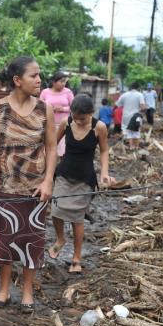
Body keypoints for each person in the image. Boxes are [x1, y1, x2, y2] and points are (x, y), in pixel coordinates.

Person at [0, 56, 56, 312]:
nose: (39, 80)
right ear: (17, 80)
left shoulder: (44, 109)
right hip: (6, 185)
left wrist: (48, 182)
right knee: (6, 236)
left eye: (39, 75)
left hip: (36, 188)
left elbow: (52, 147)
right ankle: (3, 291)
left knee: (33, 238)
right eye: (33, 75)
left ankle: (26, 291)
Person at [48, 95, 111, 273]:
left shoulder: (99, 127)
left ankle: (76, 258)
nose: (79, 121)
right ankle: (60, 239)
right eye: (76, 117)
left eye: (83, 118)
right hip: (64, 173)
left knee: (77, 218)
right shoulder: (66, 123)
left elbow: (104, 151)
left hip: (84, 178)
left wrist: (104, 172)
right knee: (56, 209)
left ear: (91, 113)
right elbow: (52, 144)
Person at [39, 72, 73, 156]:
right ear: (54, 82)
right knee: (49, 149)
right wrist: (49, 109)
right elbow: (39, 107)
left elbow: (74, 107)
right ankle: (50, 167)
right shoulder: (45, 92)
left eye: (65, 81)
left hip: (64, 126)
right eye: (61, 81)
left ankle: (62, 168)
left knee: (63, 150)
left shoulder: (68, 92)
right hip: (48, 125)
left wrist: (63, 109)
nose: (63, 84)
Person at [116, 82, 146, 149]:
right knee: (136, 132)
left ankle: (131, 147)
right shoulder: (139, 95)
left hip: (126, 117)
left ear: (130, 87)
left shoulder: (124, 95)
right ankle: (136, 147)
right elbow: (142, 107)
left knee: (128, 132)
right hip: (135, 117)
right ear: (138, 88)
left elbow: (117, 105)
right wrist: (143, 110)